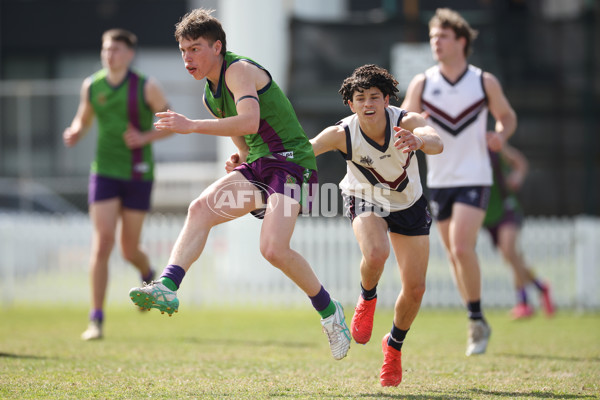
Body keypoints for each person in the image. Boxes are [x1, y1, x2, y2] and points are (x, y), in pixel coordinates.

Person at [127, 8, 351, 361]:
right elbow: (244, 137)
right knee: (200, 208)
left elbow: (249, 119)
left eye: (195, 48)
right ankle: (168, 285)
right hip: (261, 163)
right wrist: (241, 160)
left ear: (217, 47)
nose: (188, 57)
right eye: (183, 50)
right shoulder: (209, 95)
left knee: (273, 249)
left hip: (293, 163)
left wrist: (191, 126)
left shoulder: (238, 70)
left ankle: (329, 311)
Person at [311, 64, 443, 386]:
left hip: (408, 204)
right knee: (376, 253)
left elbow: (435, 139)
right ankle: (367, 297)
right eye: (360, 98)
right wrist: (252, 163)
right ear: (350, 104)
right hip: (364, 197)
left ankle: (393, 347)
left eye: (374, 97)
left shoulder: (404, 121)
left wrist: (419, 141)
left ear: (387, 100)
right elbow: (301, 151)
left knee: (415, 289)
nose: (368, 104)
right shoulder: (341, 134)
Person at [401, 8, 517, 356]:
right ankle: (475, 316)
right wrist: (417, 122)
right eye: (433, 37)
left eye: (443, 37)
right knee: (453, 253)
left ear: (461, 41)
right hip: (439, 180)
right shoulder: (423, 82)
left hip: (475, 176)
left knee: (463, 247)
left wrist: (501, 134)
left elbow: (507, 116)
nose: (435, 42)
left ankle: (476, 319)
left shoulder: (483, 81)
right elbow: (404, 118)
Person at [63, 29, 172, 340]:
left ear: (129, 54)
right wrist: (73, 132)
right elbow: (82, 120)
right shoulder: (92, 85)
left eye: (116, 50)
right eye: (106, 49)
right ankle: (96, 319)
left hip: (138, 173)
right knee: (103, 242)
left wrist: (145, 137)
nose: (109, 55)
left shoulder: (146, 86)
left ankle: (147, 274)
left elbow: (170, 122)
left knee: (127, 249)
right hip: (104, 172)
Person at [484, 144, 555, 319]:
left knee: (509, 251)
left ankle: (524, 303)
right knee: (511, 257)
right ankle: (541, 287)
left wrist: (517, 176)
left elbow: (520, 162)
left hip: (507, 207)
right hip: (486, 213)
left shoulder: (491, 143)